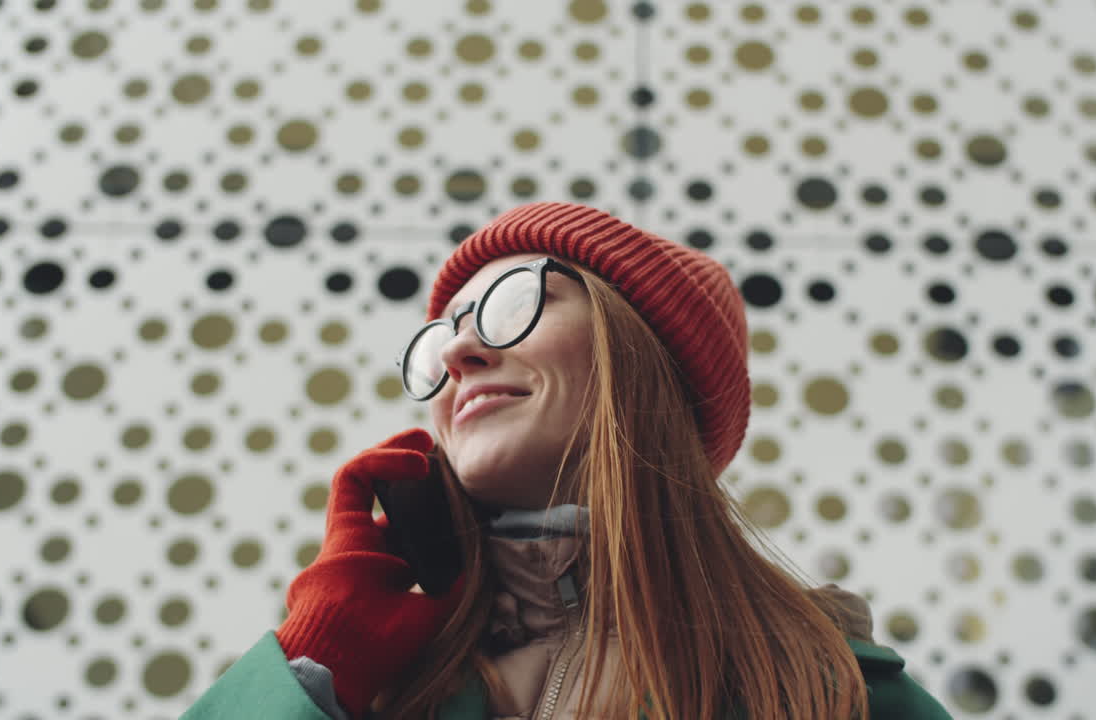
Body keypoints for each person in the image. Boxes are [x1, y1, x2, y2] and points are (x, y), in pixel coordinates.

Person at [183, 202, 953, 719]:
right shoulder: (369, 686)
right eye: (443, 332)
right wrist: (320, 654)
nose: (456, 351)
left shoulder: (831, 691)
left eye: (513, 304)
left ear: (640, 356)